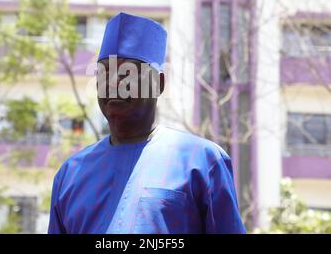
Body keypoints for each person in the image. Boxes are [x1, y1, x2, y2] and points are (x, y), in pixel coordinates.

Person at [48, 12, 246, 234]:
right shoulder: (70, 174)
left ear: (158, 83)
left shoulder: (202, 161)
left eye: (127, 73)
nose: (114, 83)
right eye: (105, 73)